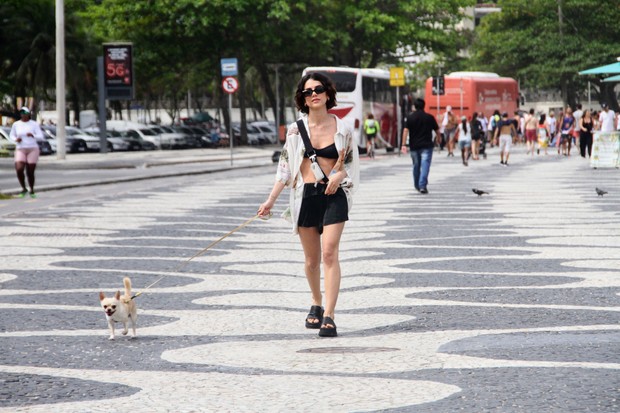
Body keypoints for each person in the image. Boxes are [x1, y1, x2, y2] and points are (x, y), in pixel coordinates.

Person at [257, 72, 360, 338]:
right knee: (312, 260)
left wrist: (339, 175)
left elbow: (350, 164)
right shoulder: (295, 130)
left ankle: (330, 315)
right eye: (307, 91)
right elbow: (284, 169)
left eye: (318, 89)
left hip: (334, 196)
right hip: (305, 196)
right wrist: (270, 200)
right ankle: (316, 301)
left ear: (327, 94)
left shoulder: (343, 129)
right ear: (302, 99)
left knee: (329, 254)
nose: (313, 94)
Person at [401, 98, 440, 193]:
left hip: (414, 146)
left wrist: (403, 144)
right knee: (425, 165)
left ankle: (417, 184)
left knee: (416, 165)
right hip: (427, 145)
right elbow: (437, 130)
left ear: (415, 106)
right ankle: (422, 185)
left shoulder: (410, 117)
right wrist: (438, 139)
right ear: (424, 106)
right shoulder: (429, 117)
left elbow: (405, 130)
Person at [9, 106, 43, 198]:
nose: (23, 115)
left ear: (28, 114)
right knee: (19, 168)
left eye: (25, 113)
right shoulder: (16, 124)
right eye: (21, 113)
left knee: (30, 170)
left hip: (32, 148)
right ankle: (24, 188)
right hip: (21, 148)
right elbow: (11, 135)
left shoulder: (34, 124)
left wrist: (33, 135)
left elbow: (41, 136)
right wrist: (16, 139)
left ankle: (31, 189)